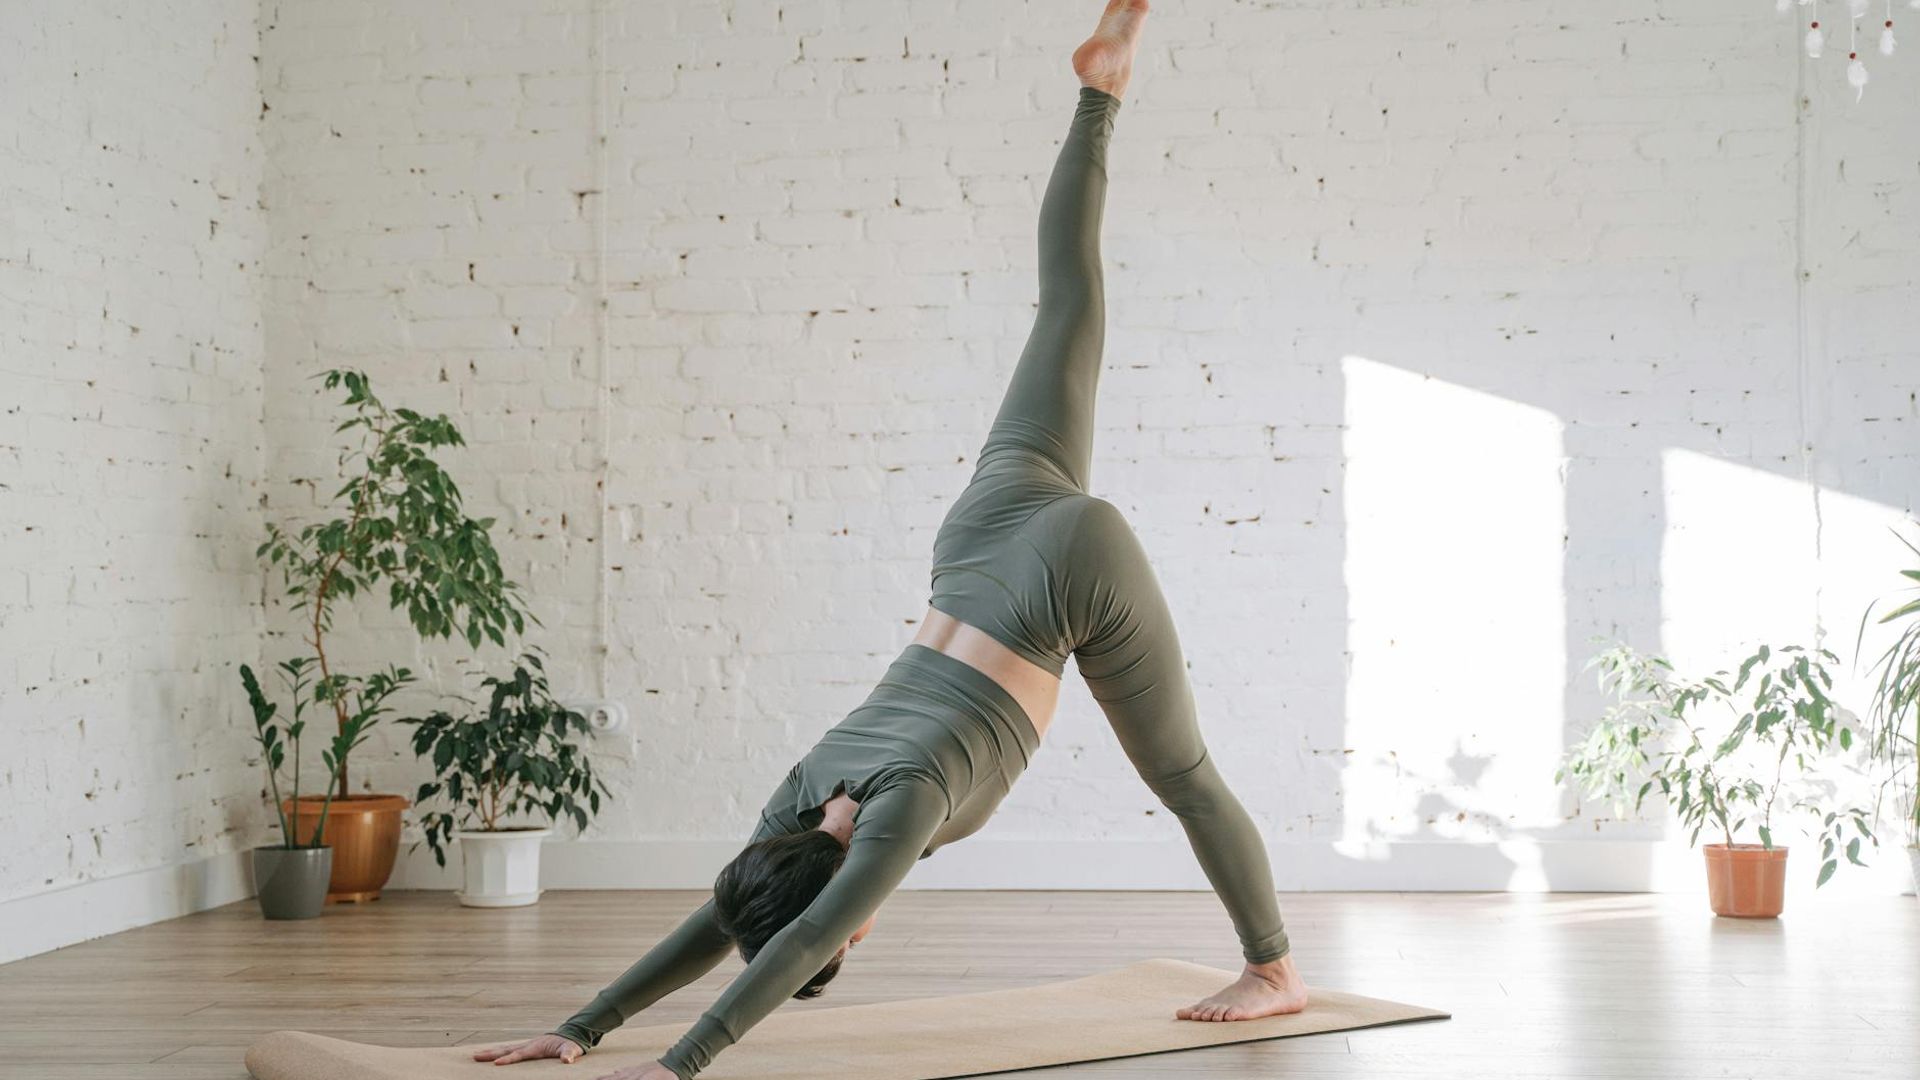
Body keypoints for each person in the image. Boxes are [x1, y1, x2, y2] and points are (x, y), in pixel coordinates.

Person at [477, 4, 1307, 1077]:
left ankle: (1275, 970)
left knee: (1185, 774)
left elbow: (800, 932)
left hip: (1070, 578)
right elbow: (730, 914)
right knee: (1066, 304)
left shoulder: (897, 818)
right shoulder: (796, 795)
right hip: (984, 537)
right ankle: (1099, 93)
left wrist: (680, 1064)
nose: (851, 940)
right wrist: (583, 1026)